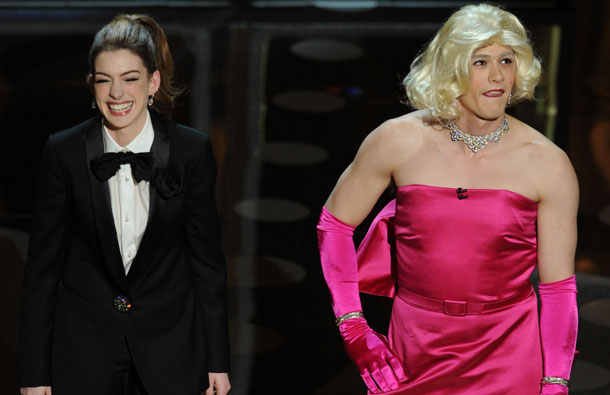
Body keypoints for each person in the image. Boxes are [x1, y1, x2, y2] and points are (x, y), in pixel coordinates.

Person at [317, 4, 578, 394]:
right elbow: (334, 226)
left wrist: (556, 380)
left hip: (507, 350)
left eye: (506, 60)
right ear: (451, 68)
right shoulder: (398, 140)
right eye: (480, 62)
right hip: (413, 347)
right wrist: (353, 326)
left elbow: (558, 287)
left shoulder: (547, 164)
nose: (497, 76)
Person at [19, 14, 231, 395]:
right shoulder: (63, 152)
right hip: (83, 350)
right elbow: (42, 270)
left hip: (172, 349)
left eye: (130, 78)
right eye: (104, 80)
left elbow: (207, 262)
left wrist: (218, 360)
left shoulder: (190, 149)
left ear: (153, 82)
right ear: (91, 84)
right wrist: (34, 374)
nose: (117, 93)